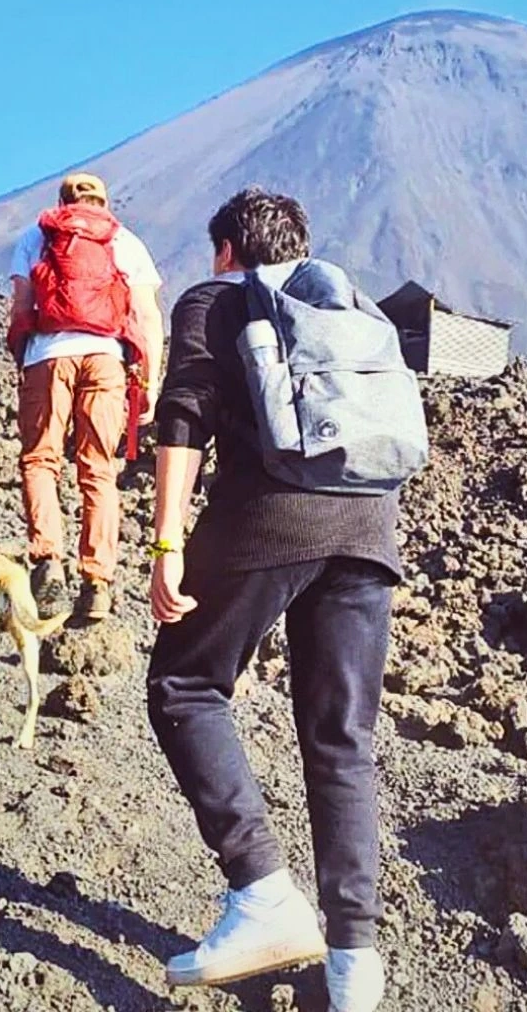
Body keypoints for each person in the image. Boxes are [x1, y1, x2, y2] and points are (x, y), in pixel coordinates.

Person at [145, 188, 400, 1011]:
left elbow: (182, 417)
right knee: (341, 739)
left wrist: (168, 545)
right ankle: (355, 966)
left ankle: (261, 893)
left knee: (185, 684)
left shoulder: (215, 297)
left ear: (227, 249)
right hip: (370, 523)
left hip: (269, 516)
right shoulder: (345, 299)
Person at [7, 172, 163, 621]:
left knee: (41, 459)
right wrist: (149, 381)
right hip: (106, 359)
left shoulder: (36, 236)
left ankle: (48, 563)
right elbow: (148, 316)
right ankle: (97, 581)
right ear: (104, 202)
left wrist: (24, 356)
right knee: (99, 468)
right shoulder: (124, 241)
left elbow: (20, 306)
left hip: (48, 356)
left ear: (62, 201)